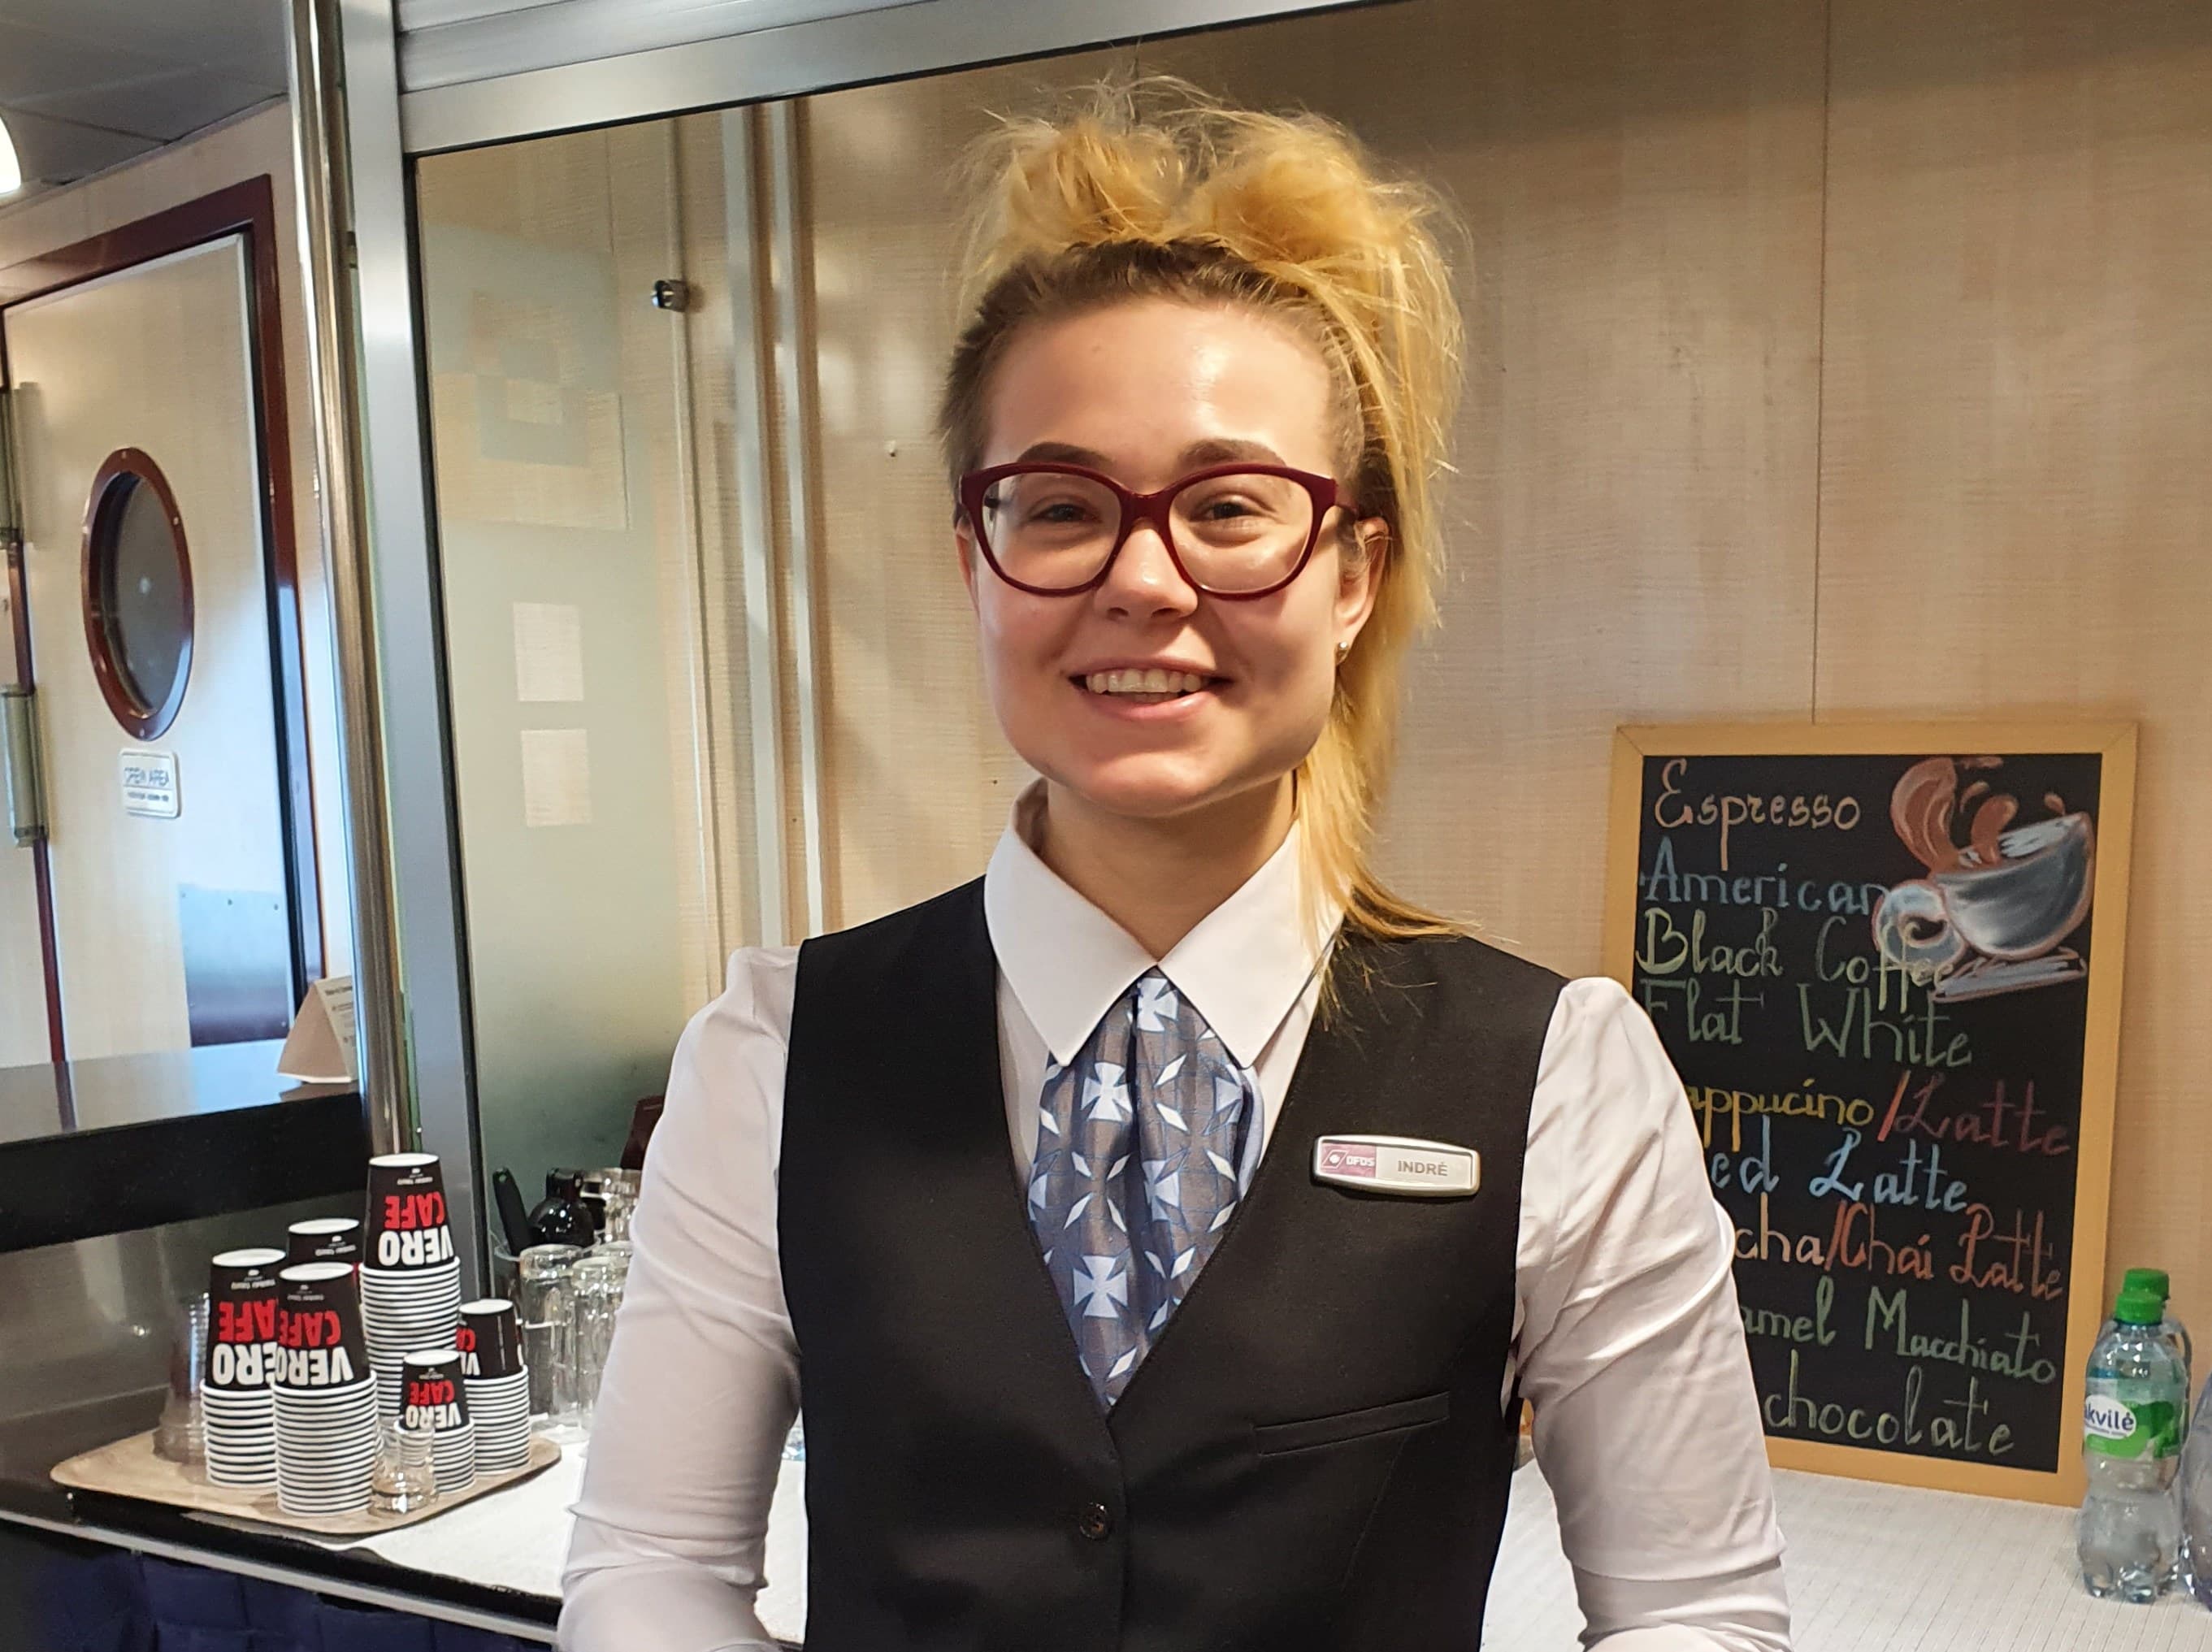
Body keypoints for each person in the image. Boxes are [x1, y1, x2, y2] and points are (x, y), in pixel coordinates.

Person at [561, 82, 1789, 1652]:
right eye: (1061, 507)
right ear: (972, 560)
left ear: (1354, 574)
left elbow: (1697, 1613)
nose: (1143, 580)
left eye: (1228, 508)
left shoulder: (1558, 1081)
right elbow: (647, 1573)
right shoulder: (775, 1052)